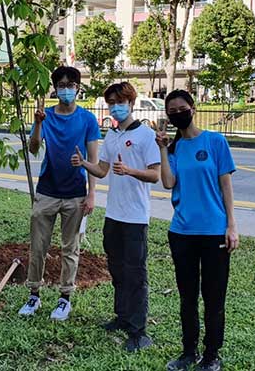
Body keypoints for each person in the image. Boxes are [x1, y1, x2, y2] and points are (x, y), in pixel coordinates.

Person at [72, 82, 160, 352]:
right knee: (117, 270)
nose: (115, 107)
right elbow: (102, 170)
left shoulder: (146, 136)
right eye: (111, 102)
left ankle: (139, 331)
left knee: (136, 274)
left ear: (131, 103)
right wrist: (84, 163)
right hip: (114, 215)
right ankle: (122, 318)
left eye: (120, 102)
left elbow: (156, 175)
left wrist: (131, 171)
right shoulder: (110, 136)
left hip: (135, 218)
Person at [156, 90, 239, 371]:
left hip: (214, 232)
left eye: (181, 108)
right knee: (187, 297)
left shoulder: (215, 141)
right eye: (172, 111)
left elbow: (225, 185)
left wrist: (231, 225)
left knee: (214, 298)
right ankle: (188, 352)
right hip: (182, 233)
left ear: (193, 108)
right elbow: (167, 182)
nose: (177, 113)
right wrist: (162, 148)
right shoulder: (174, 149)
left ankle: (212, 354)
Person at [18, 66, 100, 321]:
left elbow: (94, 160)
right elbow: (33, 148)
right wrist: (38, 123)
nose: (66, 89)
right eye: (61, 85)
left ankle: (65, 298)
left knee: (70, 248)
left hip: (75, 193)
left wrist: (91, 194)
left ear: (78, 87)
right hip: (47, 192)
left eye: (71, 85)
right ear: (55, 88)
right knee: (38, 246)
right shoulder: (46, 116)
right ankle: (34, 294)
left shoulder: (88, 119)